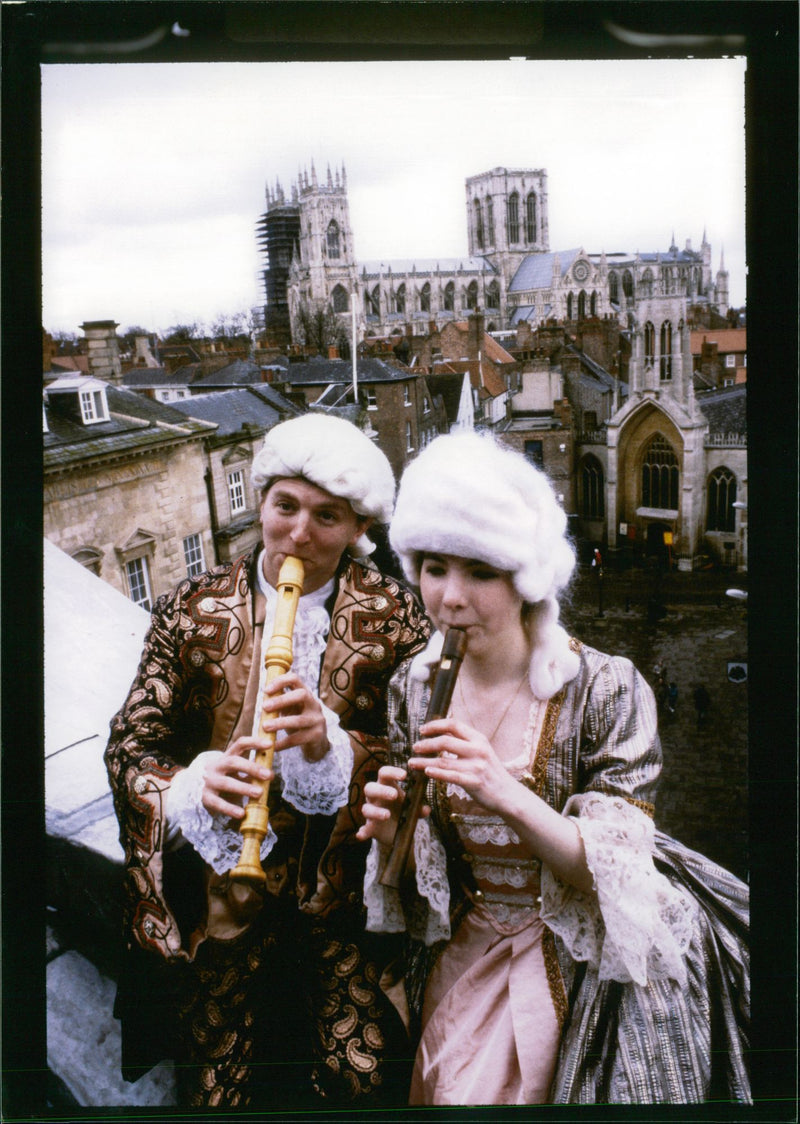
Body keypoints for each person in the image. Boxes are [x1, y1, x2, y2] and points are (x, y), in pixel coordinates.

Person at [357, 432, 750, 1106]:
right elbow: (432, 880)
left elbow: (609, 875)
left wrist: (501, 789)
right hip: (469, 948)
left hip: (585, 956)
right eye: (432, 566)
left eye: (479, 572)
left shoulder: (604, 689)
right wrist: (396, 833)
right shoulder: (412, 689)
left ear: (525, 578)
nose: (449, 597)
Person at [104, 413, 430, 1109]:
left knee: (364, 1075)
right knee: (218, 1089)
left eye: (327, 517)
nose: (300, 534)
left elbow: (423, 760)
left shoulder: (397, 615)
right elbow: (132, 744)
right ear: (261, 503)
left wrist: (331, 747)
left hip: (342, 908)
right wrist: (192, 783)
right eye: (285, 506)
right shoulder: (191, 610)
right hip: (221, 903)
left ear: (356, 530)